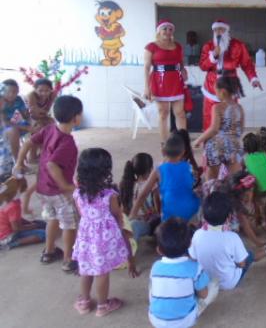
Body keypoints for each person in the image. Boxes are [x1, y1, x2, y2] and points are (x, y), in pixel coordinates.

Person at [14, 95, 82, 273]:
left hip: (42, 188)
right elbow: (52, 165)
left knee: (52, 218)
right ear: (75, 117)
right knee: (70, 224)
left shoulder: (50, 129)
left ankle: (49, 252)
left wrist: (19, 162)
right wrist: (66, 186)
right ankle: (68, 260)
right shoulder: (68, 143)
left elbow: (28, 142)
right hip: (58, 192)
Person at [72, 148, 138, 317]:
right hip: (105, 239)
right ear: (105, 172)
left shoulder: (78, 193)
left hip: (86, 237)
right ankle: (102, 305)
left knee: (85, 269)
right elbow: (117, 215)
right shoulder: (109, 195)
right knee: (102, 272)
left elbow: (82, 215)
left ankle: (84, 303)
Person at [188, 192, 266, 290]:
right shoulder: (232, 237)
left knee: (228, 255)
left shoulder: (197, 234)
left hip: (206, 282)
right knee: (248, 255)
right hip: (228, 283)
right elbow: (241, 264)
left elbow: (193, 258)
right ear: (229, 217)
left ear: (204, 215)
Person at [149, 217, 219, 328]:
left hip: (156, 321)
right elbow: (204, 294)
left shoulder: (155, 267)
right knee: (214, 283)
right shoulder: (195, 267)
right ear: (190, 244)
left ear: (159, 250)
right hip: (184, 322)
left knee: (156, 282)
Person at [199, 20, 262, 131]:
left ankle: (231, 143)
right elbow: (203, 66)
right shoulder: (208, 46)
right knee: (210, 117)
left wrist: (253, 79)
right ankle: (209, 145)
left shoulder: (238, 45)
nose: (218, 32)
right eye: (215, 30)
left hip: (230, 85)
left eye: (221, 29)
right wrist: (213, 56)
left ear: (227, 31)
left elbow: (247, 64)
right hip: (212, 87)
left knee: (231, 117)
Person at [131, 132, 200, 224]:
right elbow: (191, 185)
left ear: (164, 151)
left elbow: (143, 194)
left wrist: (133, 214)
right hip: (190, 210)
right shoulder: (188, 167)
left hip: (170, 213)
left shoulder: (158, 170)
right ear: (183, 152)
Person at [144, 19, 188, 142]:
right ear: (159, 31)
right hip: (159, 81)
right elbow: (147, 67)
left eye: (170, 29)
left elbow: (181, 63)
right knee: (163, 113)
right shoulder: (151, 46)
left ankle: (183, 143)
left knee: (180, 114)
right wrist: (146, 87)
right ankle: (165, 144)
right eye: (164, 29)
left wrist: (184, 71)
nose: (167, 31)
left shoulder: (178, 46)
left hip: (176, 81)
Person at [194, 76, 244, 180]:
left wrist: (198, 140)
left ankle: (211, 193)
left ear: (223, 91)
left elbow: (214, 129)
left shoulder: (217, 107)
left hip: (217, 146)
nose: (215, 93)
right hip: (235, 147)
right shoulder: (239, 108)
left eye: (215, 90)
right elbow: (241, 130)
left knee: (212, 179)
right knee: (234, 180)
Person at [119, 152, 161, 242]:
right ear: (150, 170)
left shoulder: (126, 184)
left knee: (132, 225)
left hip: (129, 220)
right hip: (147, 223)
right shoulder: (153, 187)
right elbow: (159, 210)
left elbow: (123, 210)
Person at [0, 176, 45, 250]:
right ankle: (12, 243)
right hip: (7, 236)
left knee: (42, 225)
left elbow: (15, 219)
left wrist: (29, 223)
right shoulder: (13, 206)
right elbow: (16, 228)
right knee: (43, 234)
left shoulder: (9, 201)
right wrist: (33, 226)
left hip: (6, 231)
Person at [227, 171, 265, 247]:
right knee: (248, 255)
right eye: (245, 193)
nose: (249, 196)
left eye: (251, 191)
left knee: (256, 231)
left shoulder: (235, 195)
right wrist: (259, 243)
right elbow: (244, 223)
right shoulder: (233, 204)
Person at [26, 78, 56, 163]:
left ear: (51, 89)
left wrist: (45, 117)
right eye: (40, 90)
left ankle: (44, 151)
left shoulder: (52, 94)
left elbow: (46, 110)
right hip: (25, 118)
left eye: (47, 90)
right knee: (39, 128)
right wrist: (43, 116)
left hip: (40, 116)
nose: (44, 93)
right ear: (35, 89)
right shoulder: (31, 95)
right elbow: (33, 114)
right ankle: (32, 156)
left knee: (52, 124)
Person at [2, 79, 31, 161]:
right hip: (3, 127)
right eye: (8, 92)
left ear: (18, 91)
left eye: (14, 92)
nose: (11, 94)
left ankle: (32, 155)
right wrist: (26, 128)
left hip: (13, 123)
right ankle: (17, 162)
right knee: (13, 131)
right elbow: (5, 124)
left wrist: (32, 122)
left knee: (39, 125)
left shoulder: (18, 99)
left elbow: (26, 115)